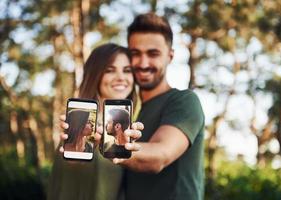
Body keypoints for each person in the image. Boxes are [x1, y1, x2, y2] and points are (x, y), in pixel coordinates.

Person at [113, 13, 205, 200]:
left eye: (153, 54)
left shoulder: (184, 101)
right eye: (135, 54)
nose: (143, 63)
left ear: (170, 56)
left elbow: (159, 156)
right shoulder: (131, 112)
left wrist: (111, 146)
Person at [47, 43, 143, 200]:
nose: (121, 77)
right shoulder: (82, 121)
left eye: (127, 70)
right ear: (96, 74)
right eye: (110, 70)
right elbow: (73, 165)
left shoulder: (129, 128)